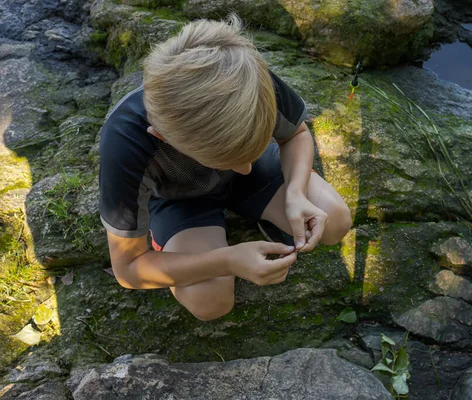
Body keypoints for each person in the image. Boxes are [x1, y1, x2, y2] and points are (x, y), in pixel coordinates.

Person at [98, 15, 352, 321]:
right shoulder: (126, 140)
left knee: (335, 220)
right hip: (179, 201)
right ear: (164, 139)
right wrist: (227, 261)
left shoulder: (245, 81)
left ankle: (266, 210)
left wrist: (296, 192)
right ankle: (200, 236)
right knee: (210, 302)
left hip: (260, 174)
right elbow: (129, 268)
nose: (243, 169)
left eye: (248, 154)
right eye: (227, 159)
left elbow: (295, 134)